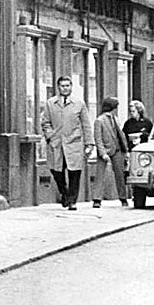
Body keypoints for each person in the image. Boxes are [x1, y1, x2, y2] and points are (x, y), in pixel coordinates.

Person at [41, 76, 94, 210]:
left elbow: (86, 124)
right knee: (56, 171)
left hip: (73, 143)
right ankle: (64, 192)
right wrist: (49, 135)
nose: (65, 88)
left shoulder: (79, 103)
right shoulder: (50, 103)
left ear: (71, 87)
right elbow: (45, 122)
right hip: (56, 143)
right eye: (62, 86)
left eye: (67, 86)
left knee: (74, 173)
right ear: (58, 87)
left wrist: (89, 143)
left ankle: (72, 201)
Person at [91, 97, 129, 208]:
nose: (116, 109)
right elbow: (98, 138)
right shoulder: (99, 120)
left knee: (120, 175)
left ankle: (123, 197)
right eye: (116, 107)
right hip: (105, 150)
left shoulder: (115, 119)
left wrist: (125, 149)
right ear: (112, 107)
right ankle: (97, 199)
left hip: (117, 150)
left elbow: (119, 135)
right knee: (100, 175)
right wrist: (102, 153)